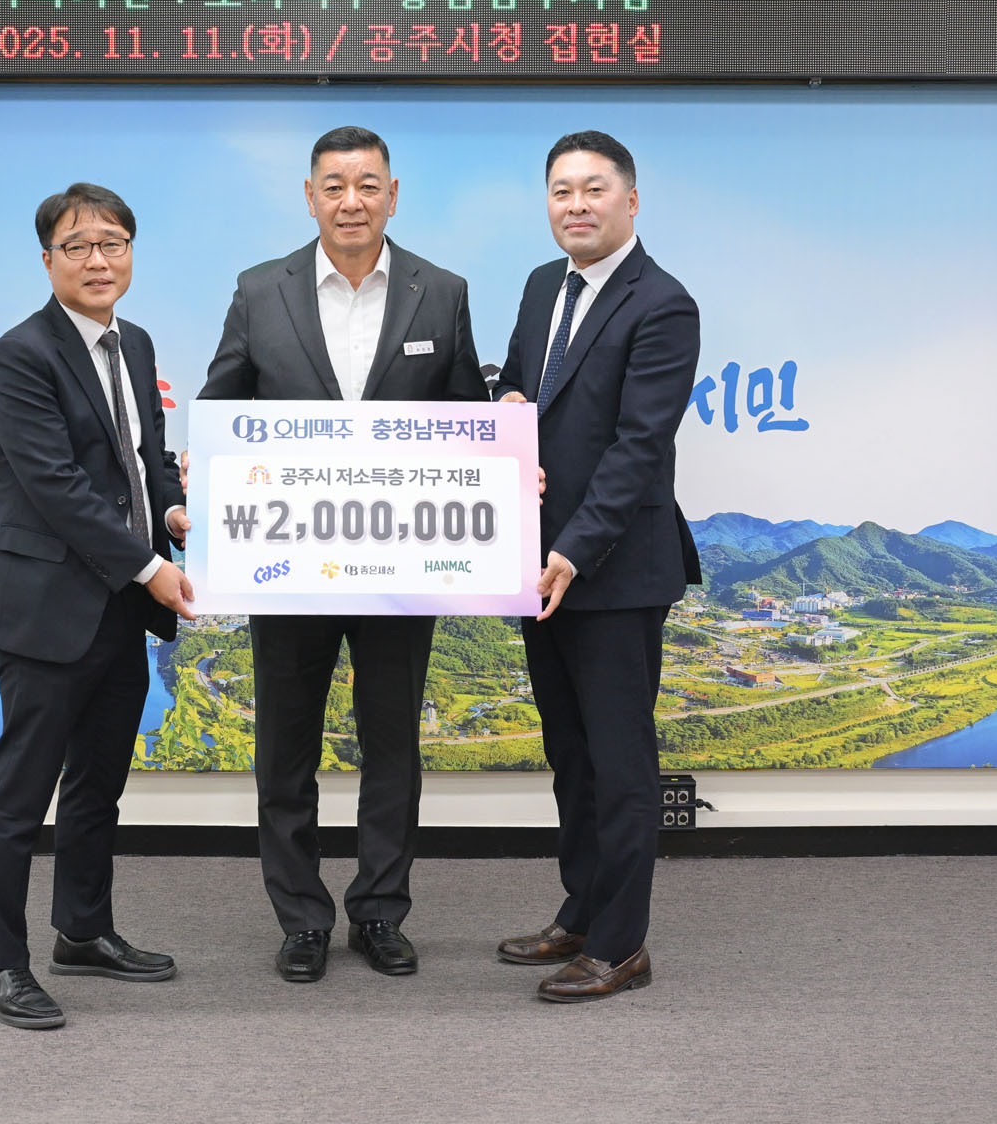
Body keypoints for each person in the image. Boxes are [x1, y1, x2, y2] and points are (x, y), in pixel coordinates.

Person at [199, 125, 488, 983]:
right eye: (334, 185)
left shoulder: (443, 292)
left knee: (392, 744)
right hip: (289, 567)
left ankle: (380, 911)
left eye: (367, 185)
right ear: (309, 196)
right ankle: (301, 919)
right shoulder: (260, 290)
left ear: (392, 195)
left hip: (403, 567)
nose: (350, 201)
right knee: (285, 747)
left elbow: (467, 420)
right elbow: (221, 409)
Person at [0, 182, 195, 1030]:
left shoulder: (134, 344)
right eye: (78, 246)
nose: (98, 260)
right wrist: (151, 567)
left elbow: (147, 459)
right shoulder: (21, 354)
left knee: (99, 786)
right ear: (48, 261)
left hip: (120, 610)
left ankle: (84, 931)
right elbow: (57, 489)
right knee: (20, 797)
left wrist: (175, 511)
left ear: (131, 253)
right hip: (48, 609)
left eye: (113, 244)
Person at [491, 130, 701, 1003]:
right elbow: (520, 384)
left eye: (593, 189)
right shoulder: (545, 285)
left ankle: (621, 945)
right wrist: (506, 398)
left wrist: (574, 550)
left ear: (631, 200)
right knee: (570, 756)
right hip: (536, 566)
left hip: (609, 572)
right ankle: (580, 912)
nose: (575, 205)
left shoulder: (665, 304)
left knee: (619, 767)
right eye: (561, 191)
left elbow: (638, 449)